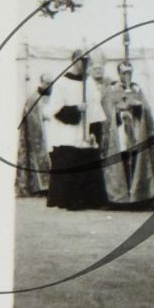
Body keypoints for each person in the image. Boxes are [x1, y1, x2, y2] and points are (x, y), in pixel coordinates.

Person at [42, 50, 109, 211]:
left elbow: (95, 108)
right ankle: (68, 200)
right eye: (81, 61)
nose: (84, 65)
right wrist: (76, 109)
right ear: (73, 61)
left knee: (87, 160)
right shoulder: (61, 82)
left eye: (87, 62)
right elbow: (53, 109)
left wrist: (95, 132)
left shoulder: (90, 82)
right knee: (69, 162)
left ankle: (90, 200)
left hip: (85, 132)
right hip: (68, 132)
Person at [99, 60, 154, 210]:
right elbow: (107, 110)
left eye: (130, 72)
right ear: (119, 74)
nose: (127, 76)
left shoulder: (137, 89)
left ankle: (137, 197)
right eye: (124, 73)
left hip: (136, 133)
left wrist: (138, 108)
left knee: (136, 161)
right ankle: (120, 198)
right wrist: (119, 110)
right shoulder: (112, 90)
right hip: (119, 133)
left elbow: (147, 110)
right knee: (121, 162)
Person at [15, 75, 52, 197]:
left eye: (51, 83)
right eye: (47, 82)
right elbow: (33, 119)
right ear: (41, 82)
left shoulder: (53, 96)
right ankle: (38, 187)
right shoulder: (33, 99)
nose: (49, 85)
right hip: (39, 134)